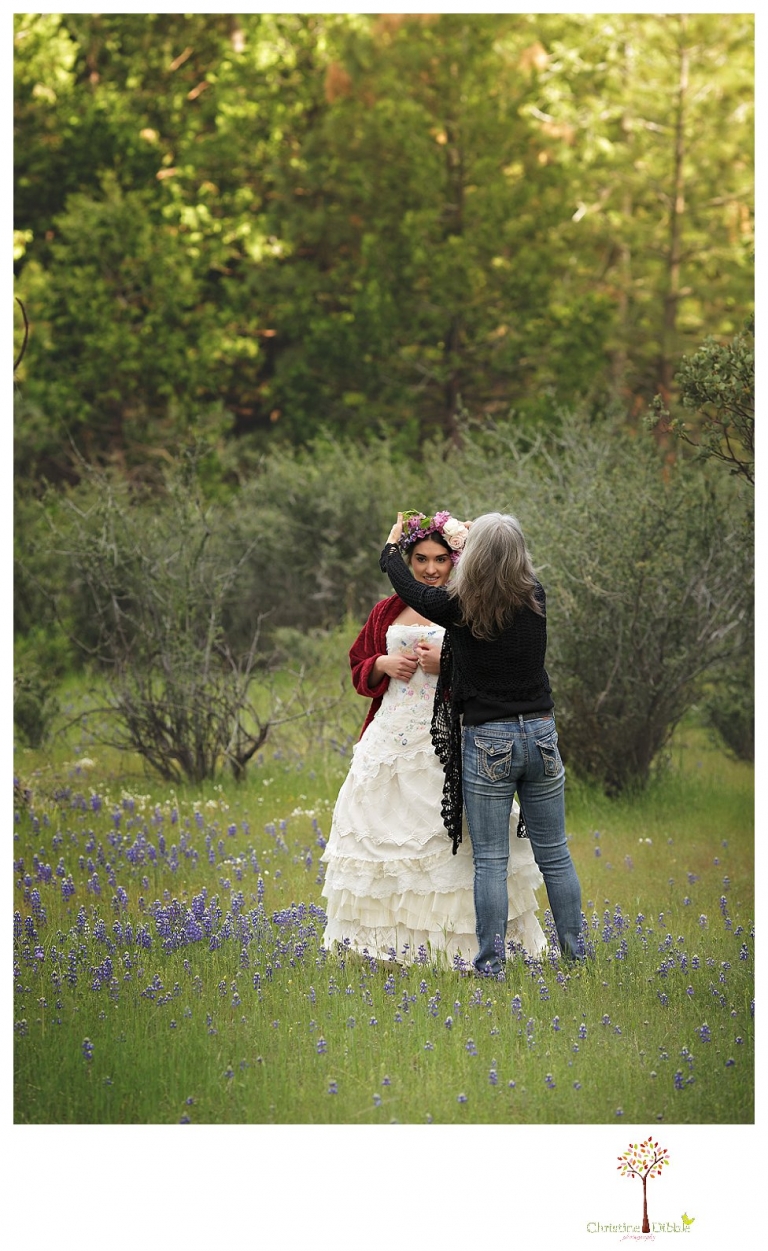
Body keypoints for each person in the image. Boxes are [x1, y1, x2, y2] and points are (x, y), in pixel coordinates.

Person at [321, 510, 546, 967]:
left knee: (455, 842)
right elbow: (357, 666)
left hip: (450, 735)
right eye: (420, 559)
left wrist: (449, 662)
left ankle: (460, 945)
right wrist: (381, 666)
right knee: (381, 839)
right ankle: (385, 948)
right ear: (409, 559)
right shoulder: (386, 610)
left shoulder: (468, 603)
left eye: (440, 559)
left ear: (456, 560)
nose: (429, 569)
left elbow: (493, 668)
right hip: (390, 735)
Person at [380, 511, 583, 974]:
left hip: (490, 739)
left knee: (490, 860)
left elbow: (411, 590)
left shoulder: (460, 605)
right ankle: (577, 956)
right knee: (556, 853)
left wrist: (392, 550)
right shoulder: (536, 597)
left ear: (469, 557)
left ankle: (491, 965)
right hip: (542, 733)